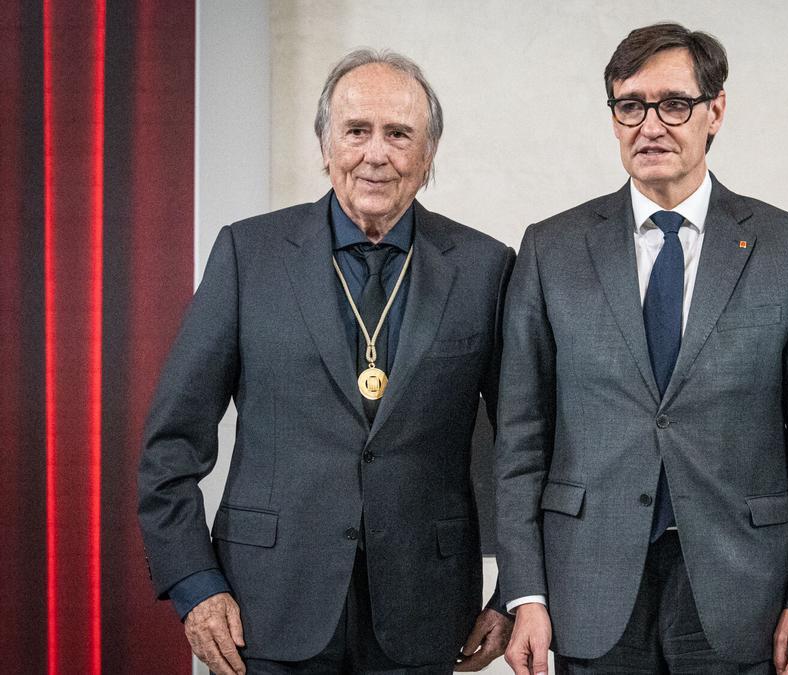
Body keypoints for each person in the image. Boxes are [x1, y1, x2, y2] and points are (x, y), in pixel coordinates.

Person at [137, 48, 514, 674]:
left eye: (399, 134)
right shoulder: (247, 255)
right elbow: (170, 445)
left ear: (428, 156)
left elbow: (526, 447)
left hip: (427, 609)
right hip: (264, 604)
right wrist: (194, 583)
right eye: (356, 131)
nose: (376, 153)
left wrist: (513, 592)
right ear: (324, 144)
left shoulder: (485, 268)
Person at [495, 22, 788, 675]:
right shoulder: (551, 249)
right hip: (587, 584)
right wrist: (525, 591)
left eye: (674, 104)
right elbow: (519, 436)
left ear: (716, 110)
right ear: (613, 117)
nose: (650, 125)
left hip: (741, 586)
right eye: (630, 105)